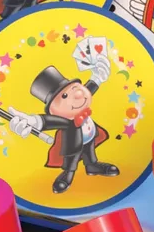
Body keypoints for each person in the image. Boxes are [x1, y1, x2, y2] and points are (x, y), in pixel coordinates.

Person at [7, 64, 118, 194]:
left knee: (89, 151)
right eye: (64, 96)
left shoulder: (81, 98)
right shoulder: (66, 121)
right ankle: (68, 174)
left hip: (90, 134)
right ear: (53, 111)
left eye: (75, 88)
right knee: (73, 159)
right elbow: (47, 121)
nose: (78, 95)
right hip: (74, 142)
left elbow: (89, 89)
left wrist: (98, 77)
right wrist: (32, 121)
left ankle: (92, 166)